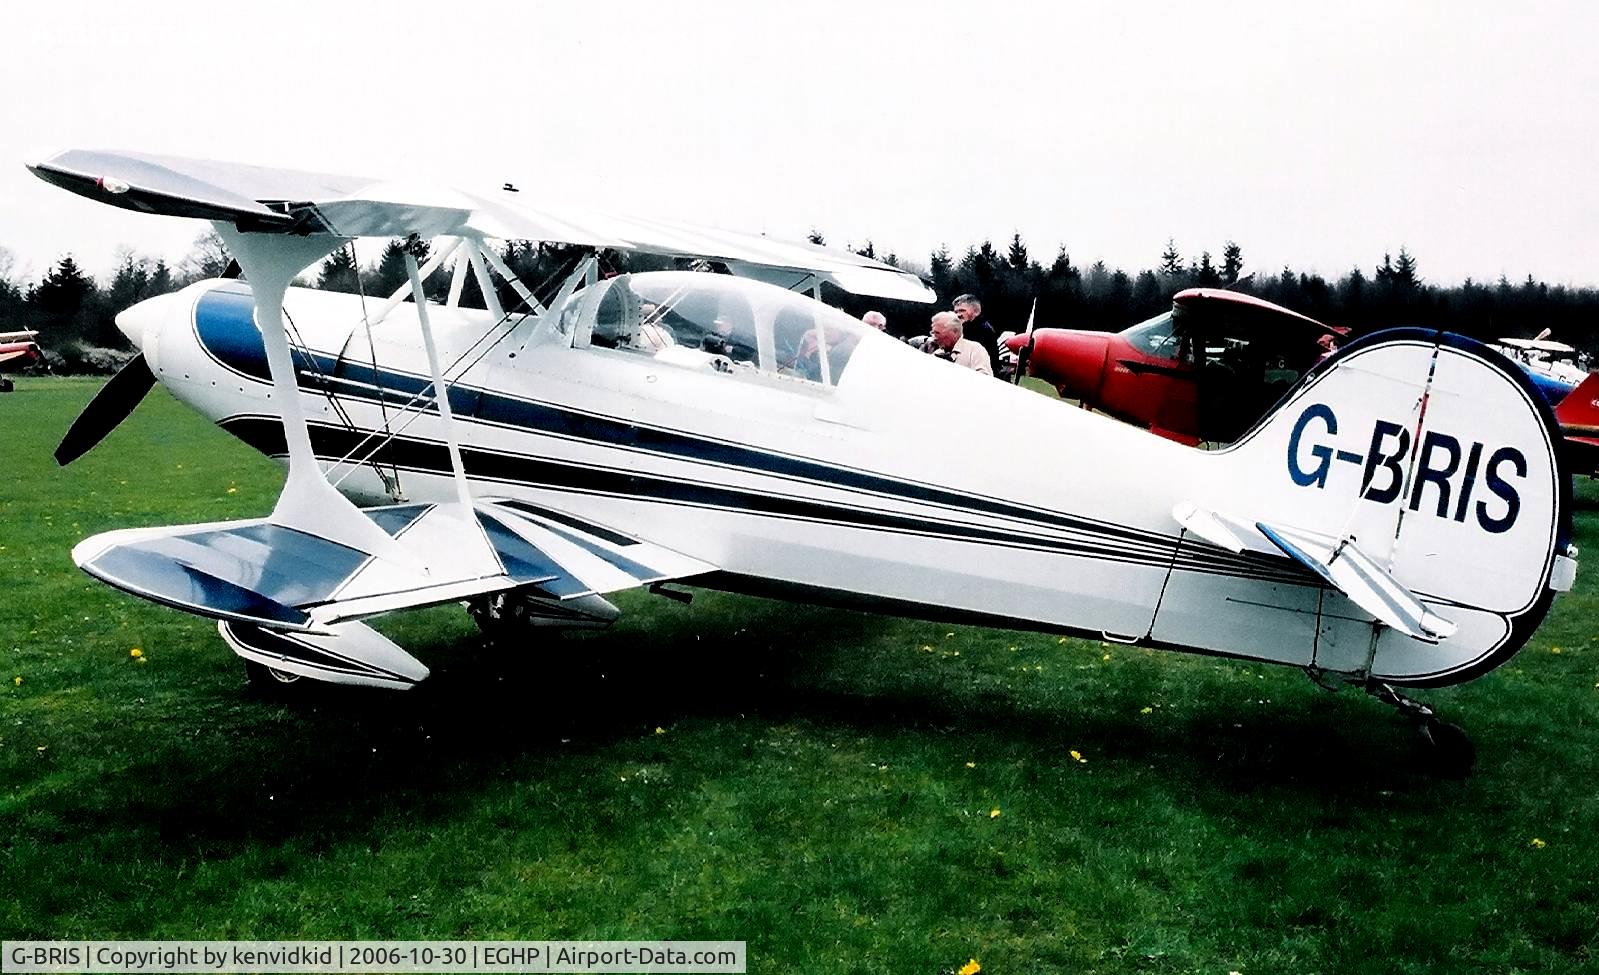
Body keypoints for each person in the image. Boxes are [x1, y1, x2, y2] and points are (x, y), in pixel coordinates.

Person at [924, 311, 992, 375]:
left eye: (937, 333)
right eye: (933, 333)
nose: (934, 338)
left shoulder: (975, 350)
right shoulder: (936, 354)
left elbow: (984, 380)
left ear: (954, 332)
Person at [951, 294, 1001, 374]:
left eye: (962, 310)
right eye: (956, 312)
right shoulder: (965, 327)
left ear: (976, 312)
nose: (958, 315)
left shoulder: (982, 330)